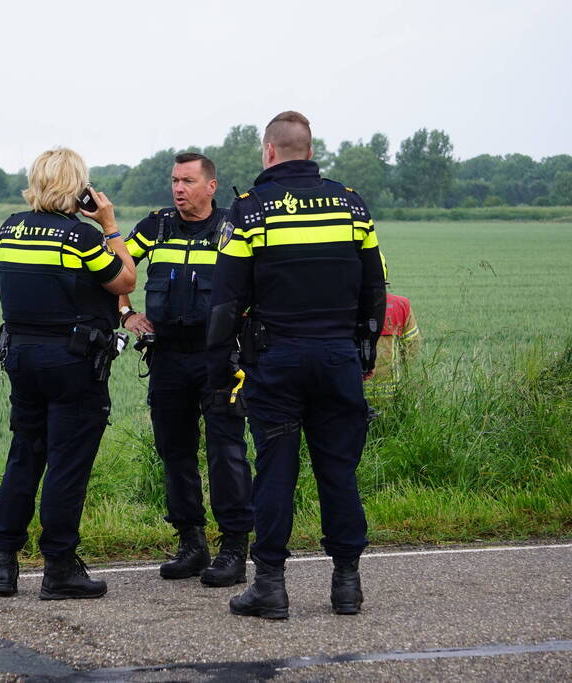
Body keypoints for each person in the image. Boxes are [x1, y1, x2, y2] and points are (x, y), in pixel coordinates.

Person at [206, 111, 387, 619]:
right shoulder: (351, 205)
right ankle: (346, 584)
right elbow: (375, 287)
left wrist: (218, 371)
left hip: (276, 361)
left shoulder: (250, 210)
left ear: (269, 152)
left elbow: (226, 301)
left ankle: (270, 586)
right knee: (339, 471)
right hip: (337, 358)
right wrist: (365, 349)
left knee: (275, 472)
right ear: (309, 151)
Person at [0, 147, 136, 600]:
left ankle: (3, 563)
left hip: (20, 357)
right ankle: (60, 568)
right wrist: (108, 224)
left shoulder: (8, 228)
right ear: (79, 188)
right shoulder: (81, 237)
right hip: (72, 363)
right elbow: (125, 281)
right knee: (66, 464)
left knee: (25, 454)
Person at [119, 153, 254, 587]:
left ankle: (234, 547)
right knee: (175, 453)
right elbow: (112, 271)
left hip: (219, 358)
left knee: (226, 453)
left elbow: (262, 281)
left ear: (211, 186)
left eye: (188, 181)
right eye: (175, 181)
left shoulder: (234, 228)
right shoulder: (155, 227)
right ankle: (191, 544)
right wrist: (125, 314)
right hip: (167, 359)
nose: (179, 189)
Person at [363, 254, 422, 402]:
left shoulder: (345, 308)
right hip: (390, 400)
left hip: (354, 398)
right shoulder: (401, 306)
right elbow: (412, 348)